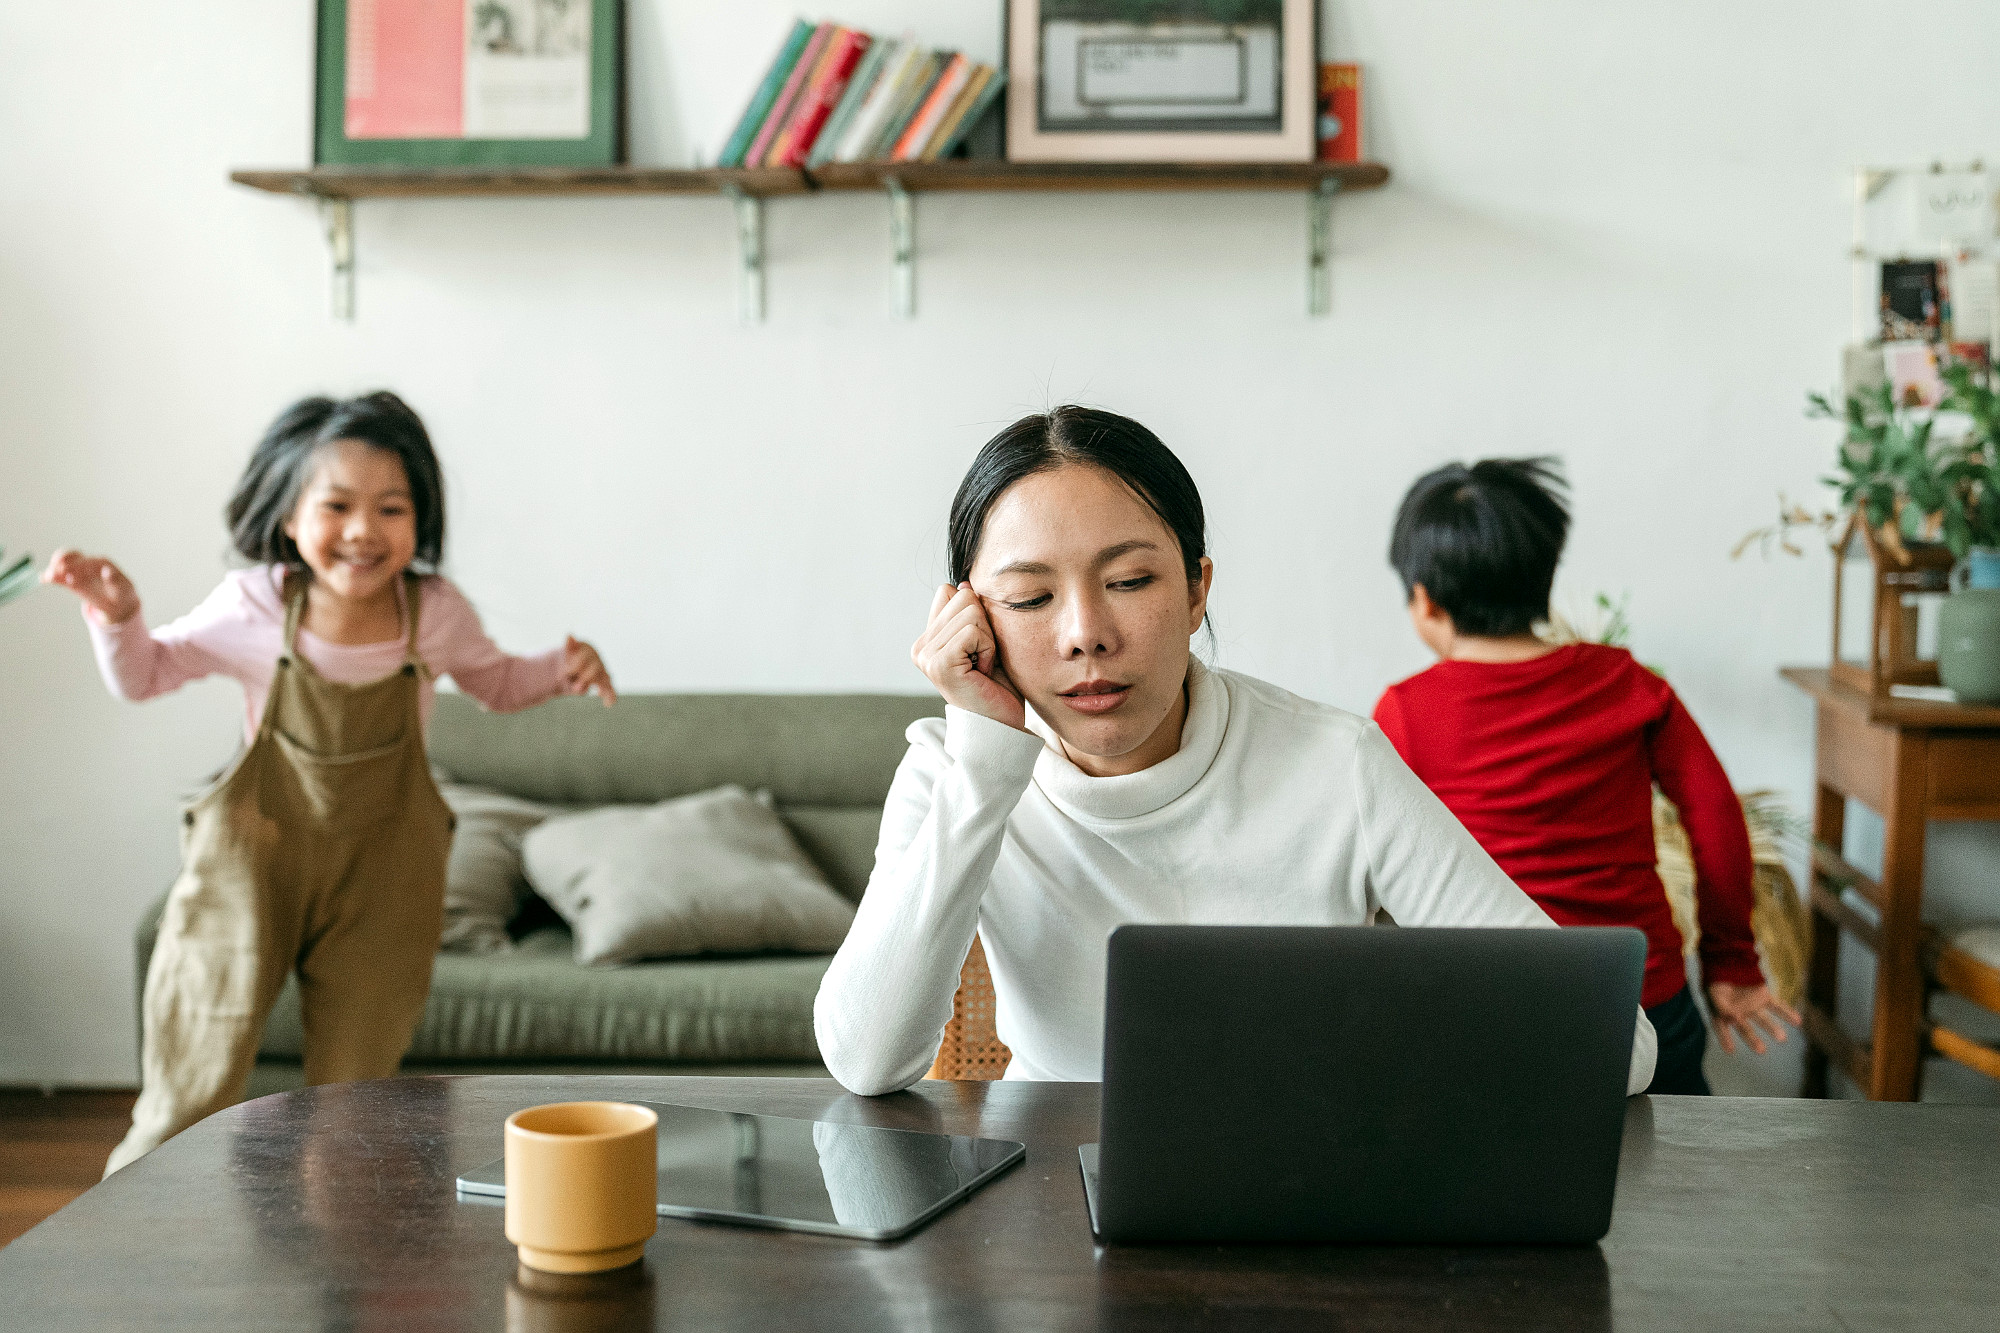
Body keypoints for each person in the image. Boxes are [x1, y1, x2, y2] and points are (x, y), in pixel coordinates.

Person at [813, 408, 1656, 1098]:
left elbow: (1616, 1049)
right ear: (971, 618)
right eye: (1030, 596)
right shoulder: (951, 770)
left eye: (1132, 581)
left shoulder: (1337, 763)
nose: (1085, 636)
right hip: (1048, 1203)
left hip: (1302, 1187)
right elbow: (865, 1059)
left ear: (1196, 591)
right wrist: (985, 763)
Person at [44, 391, 617, 1173]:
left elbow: (498, 683)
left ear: (420, 521)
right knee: (187, 1088)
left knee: (354, 1107)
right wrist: (117, 617)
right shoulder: (254, 604)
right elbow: (147, 674)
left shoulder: (434, 613)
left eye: (391, 507)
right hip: (250, 868)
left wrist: (561, 668)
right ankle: (125, 1250)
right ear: (287, 516)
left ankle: (336, 1276)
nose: (362, 530)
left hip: (382, 879)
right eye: (337, 504)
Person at [1371, 457, 1797, 1096]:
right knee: (1673, 1184)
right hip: (1644, 1004)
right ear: (1544, 579)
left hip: (1492, 1016)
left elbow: (1379, 864)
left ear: (1425, 601)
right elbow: (1715, 815)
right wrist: (1730, 958)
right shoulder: (1628, 684)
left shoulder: (1405, 712)